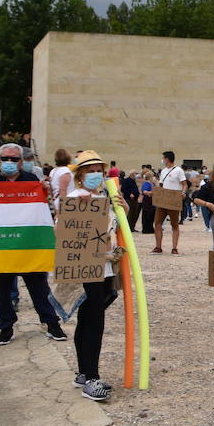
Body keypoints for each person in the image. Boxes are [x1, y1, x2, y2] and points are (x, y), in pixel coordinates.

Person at [0, 144, 66, 345]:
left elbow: (42, 208)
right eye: (5, 158)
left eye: (14, 159)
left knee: (39, 288)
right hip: (1, 246)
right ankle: (5, 328)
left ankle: (52, 324)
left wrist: (45, 192)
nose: (10, 162)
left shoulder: (31, 180)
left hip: (28, 245)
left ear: (21, 161)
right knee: (1, 290)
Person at [61, 150, 125, 402]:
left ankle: (84, 373)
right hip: (87, 269)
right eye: (90, 171)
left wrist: (120, 207)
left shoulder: (102, 197)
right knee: (93, 322)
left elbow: (117, 230)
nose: (96, 175)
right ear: (79, 176)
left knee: (89, 319)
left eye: (99, 170)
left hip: (104, 269)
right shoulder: (77, 198)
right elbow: (74, 237)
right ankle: (91, 377)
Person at [151, 151, 189, 253]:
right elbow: (161, 185)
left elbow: (184, 184)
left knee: (174, 225)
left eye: (163, 158)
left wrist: (183, 192)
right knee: (157, 223)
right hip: (163, 201)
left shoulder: (178, 170)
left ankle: (174, 248)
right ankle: (158, 247)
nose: (162, 160)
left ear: (167, 159)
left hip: (173, 200)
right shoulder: (163, 171)